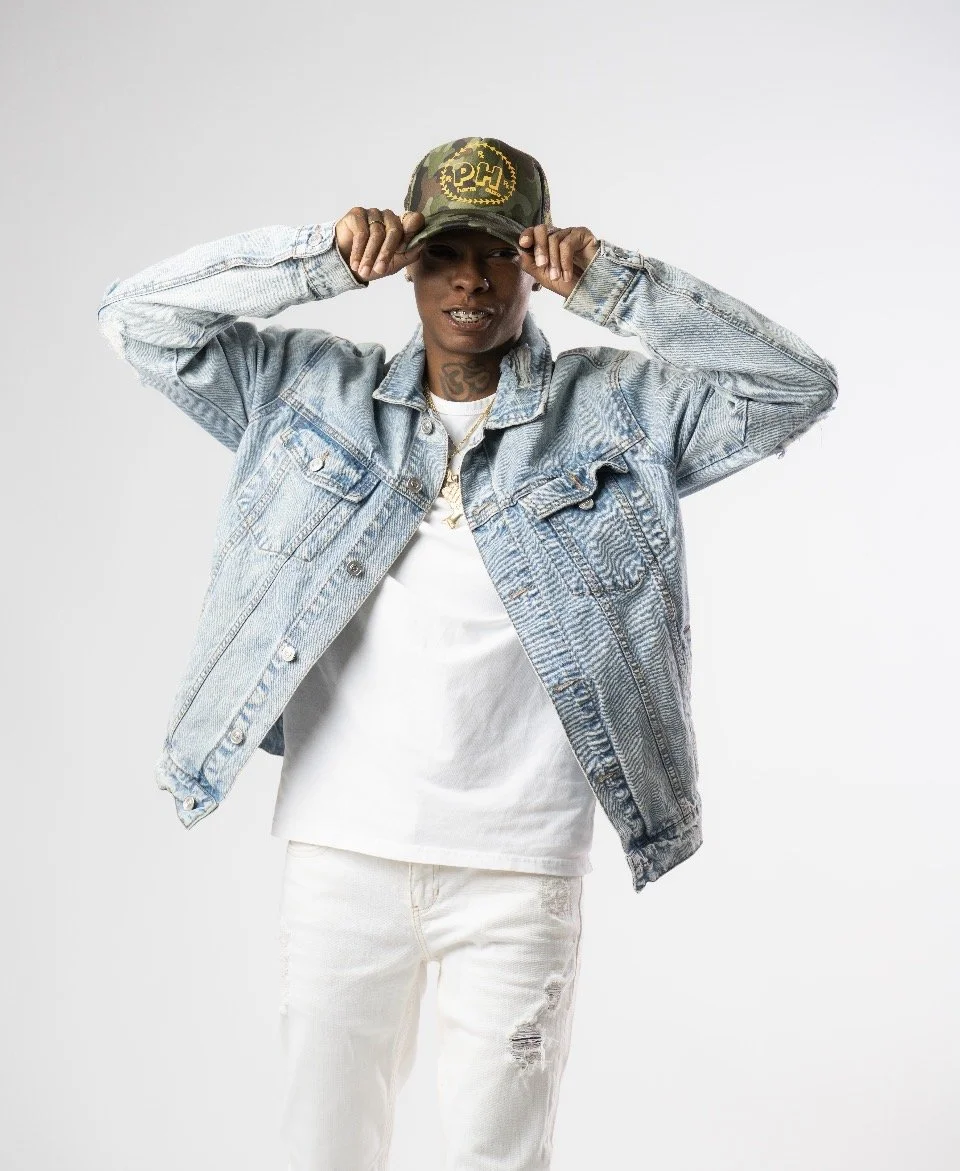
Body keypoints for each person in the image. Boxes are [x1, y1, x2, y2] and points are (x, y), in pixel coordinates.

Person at [97, 136, 838, 1169]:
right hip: (344, 853)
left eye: (497, 253)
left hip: (520, 866)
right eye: (444, 250)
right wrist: (317, 260)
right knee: (322, 1149)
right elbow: (138, 320)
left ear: (533, 262)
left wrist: (619, 287)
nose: (470, 280)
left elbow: (794, 387)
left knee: (499, 1156)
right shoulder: (312, 391)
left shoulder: (616, 412)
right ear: (406, 258)